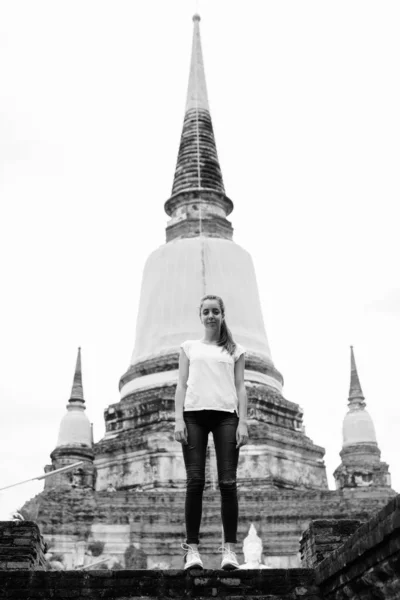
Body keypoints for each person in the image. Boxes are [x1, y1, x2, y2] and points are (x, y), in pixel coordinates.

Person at [174, 294, 249, 570]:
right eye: (206, 311)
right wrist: (178, 419)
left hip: (226, 417)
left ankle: (229, 550)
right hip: (193, 416)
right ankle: (191, 550)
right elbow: (181, 385)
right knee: (195, 481)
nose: (210, 316)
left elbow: (241, 387)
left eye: (215, 311)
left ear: (222, 314)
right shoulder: (189, 347)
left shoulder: (236, 350)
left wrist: (244, 421)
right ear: (200, 315)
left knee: (228, 483)